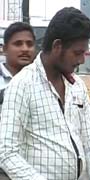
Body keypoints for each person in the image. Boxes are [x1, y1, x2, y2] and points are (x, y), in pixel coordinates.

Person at [0, 7, 90, 180]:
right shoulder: (22, 85)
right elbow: (6, 152)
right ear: (57, 46)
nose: (81, 60)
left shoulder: (77, 86)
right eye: (77, 53)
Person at [0, 21, 36, 180]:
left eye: (29, 44)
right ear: (5, 48)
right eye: (18, 44)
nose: (25, 49)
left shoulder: (41, 83)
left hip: (33, 168)